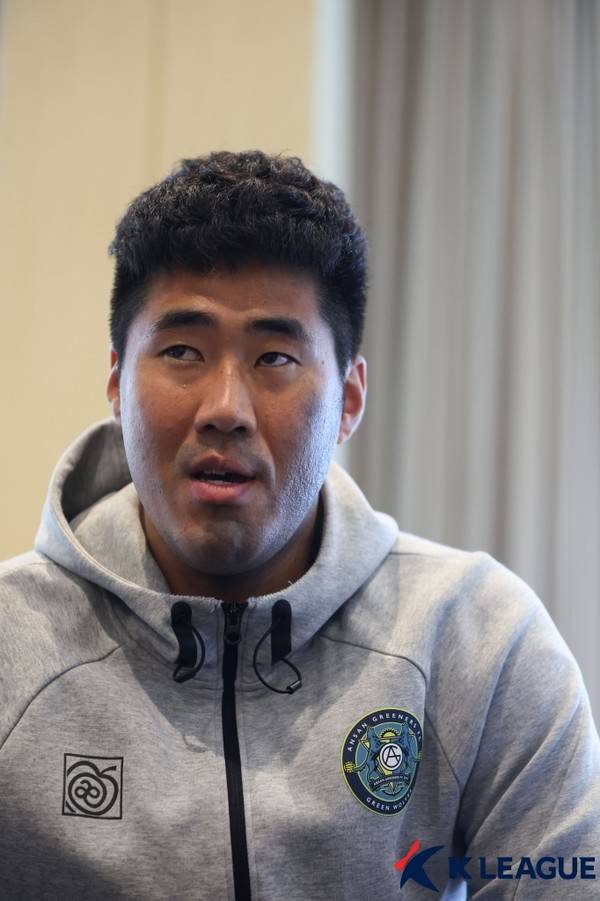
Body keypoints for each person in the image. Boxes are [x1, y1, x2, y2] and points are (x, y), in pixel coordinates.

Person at [0, 151, 598, 900]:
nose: (225, 407)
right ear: (117, 381)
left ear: (349, 399)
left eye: (275, 357)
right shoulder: (12, 649)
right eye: (182, 351)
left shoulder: (479, 643)